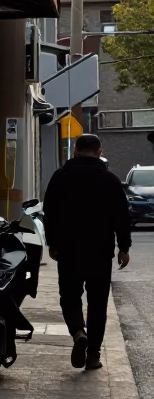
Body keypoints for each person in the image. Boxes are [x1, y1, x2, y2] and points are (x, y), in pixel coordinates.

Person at [43, 133, 131, 371]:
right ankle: (93, 354)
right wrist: (124, 247)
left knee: (69, 297)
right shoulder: (110, 180)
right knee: (98, 303)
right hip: (100, 251)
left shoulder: (60, 177)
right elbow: (121, 216)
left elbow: (49, 212)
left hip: (69, 251)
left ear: (75, 151)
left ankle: (78, 332)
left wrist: (53, 243)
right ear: (99, 152)